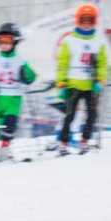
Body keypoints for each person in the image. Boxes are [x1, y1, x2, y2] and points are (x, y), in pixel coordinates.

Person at [0, 23, 37, 166]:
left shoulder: (20, 60)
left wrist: (26, 75)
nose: (4, 44)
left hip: (13, 98)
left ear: (15, 41)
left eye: (7, 41)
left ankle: (4, 150)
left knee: (9, 125)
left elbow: (31, 77)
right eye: (1, 41)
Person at [56, 3, 108, 156]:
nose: (86, 23)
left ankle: (84, 141)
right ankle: (63, 143)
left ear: (94, 22)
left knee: (92, 115)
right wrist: (61, 84)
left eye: (89, 20)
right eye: (83, 20)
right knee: (70, 115)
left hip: (91, 85)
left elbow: (103, 64)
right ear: (78, 20)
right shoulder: (69, 40)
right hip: (73, 84)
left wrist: (100, 80)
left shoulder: (99, 41)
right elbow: (62, 64)